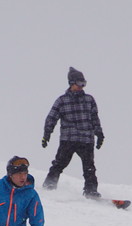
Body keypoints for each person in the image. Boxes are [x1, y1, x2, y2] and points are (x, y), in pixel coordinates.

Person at [41, 66, 105, 199]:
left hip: (86, 140)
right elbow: (51, 118)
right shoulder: (62, 101)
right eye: (79, 83)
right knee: (59, 163)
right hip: (68, 139)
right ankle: (49, 186)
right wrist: (47, 134)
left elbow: (94, 118)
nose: (82, 87)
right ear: (71, 83)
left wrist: (99, 134)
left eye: (84, 84)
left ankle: (91, 191)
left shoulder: (89, 100)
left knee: (89, 167)